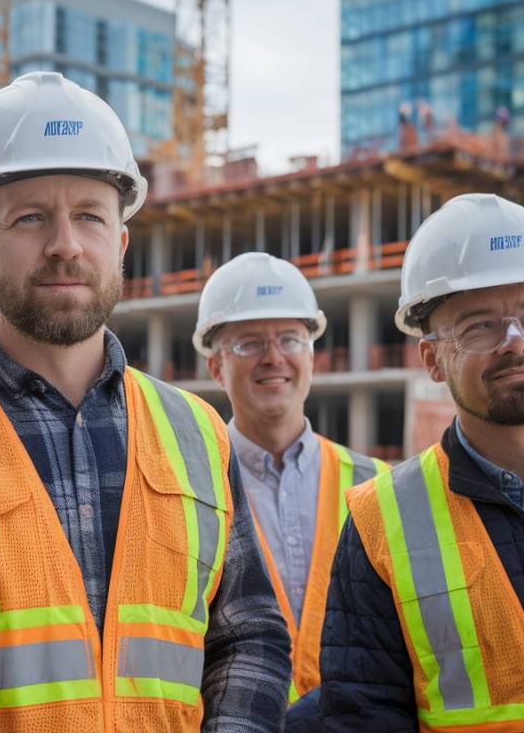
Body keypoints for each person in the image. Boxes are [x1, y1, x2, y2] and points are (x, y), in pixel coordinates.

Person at [0, 71, 291, 732]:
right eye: (31, 217)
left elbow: (250, 637)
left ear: (119, 243)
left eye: (90, 216)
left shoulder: (197, 434)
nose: (65, 243)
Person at [318, 193, 524, 731]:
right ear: (433, 360)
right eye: (481, 325)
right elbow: (363, 715)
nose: (516, 342)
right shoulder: (381, 522)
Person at [193, 251, 388, 710]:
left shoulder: (376, 487)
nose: (274, 357)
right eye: (249, 343)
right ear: (216, 367)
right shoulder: (191, 487)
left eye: (290, 339)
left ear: (312, 356)